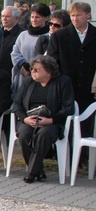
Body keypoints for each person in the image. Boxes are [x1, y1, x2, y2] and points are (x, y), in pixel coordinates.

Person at [11, 55, 75, 183]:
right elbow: (17, 104)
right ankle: (38, 171)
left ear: (49, 71)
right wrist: (25, 119)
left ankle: (31, 173)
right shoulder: (28, 82)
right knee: (24, 135)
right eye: (32, 69)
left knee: (44, 135)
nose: (33, 72)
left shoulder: (63, 82)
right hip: (29, 120)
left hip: (52, 121)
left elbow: (68, 108)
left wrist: (50, 120)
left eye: (36, 69)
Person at [47, 2, 96, 117]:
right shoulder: (59, 36)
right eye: (72, 15)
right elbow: (51, 63)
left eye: (78, 15)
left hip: (89, 88)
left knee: (87, 121)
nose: (75, 19)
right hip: (66, 87)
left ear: (88, 15)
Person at [10, 3, 51, 94]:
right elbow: (15, 52)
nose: (34, 20)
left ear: (46, 18)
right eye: (32, 17)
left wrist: (34, 68)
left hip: (40, 76)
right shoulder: (23, 35)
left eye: (37, 17)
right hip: (22, 75)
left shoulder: (49, 36)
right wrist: (24, 65)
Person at [0, 6, 23, 74]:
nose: (4, 19)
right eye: (3, 16)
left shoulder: (22, 35)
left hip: (12, 72)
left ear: (16, 18)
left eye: (7, 16)